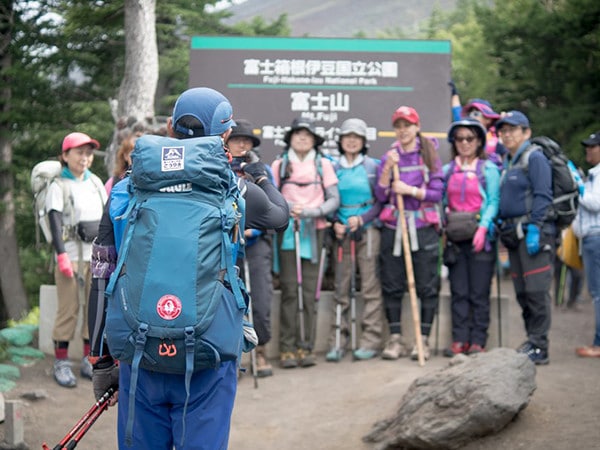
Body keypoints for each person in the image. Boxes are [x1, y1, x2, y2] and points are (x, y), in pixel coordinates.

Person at [87, 87, 289, 449]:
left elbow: (102, 273)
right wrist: (261, 177)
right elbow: (280, 216)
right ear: (225, 135)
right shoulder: (233, 188)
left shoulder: (126, 189)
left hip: (140, 348)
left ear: (169, 126)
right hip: (209, 350)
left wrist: (101, 361)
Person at [374, 106, 444, 361]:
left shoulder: (429, 154)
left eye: (407, 125)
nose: (403, 130)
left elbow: (437, 193)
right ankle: (395, 339)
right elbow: (380, 196)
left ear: (417, 126)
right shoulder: (389, 156)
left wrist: (410, 190)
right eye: (399, 125)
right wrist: (386, 172)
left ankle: (422, 340)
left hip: (423, 228)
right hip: (395, 227)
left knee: (426, 284)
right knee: (392, 284)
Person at [271, 117, 340, 368]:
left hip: (315, 230)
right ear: (290, 137)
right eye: (298, 133)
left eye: (307, 134)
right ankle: (287, 348)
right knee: (290, 289)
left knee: (310, 291)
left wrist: (313, 212)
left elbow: (334, 199)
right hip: (289, 230)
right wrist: (289, 208)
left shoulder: (323, 164)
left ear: (314, 140)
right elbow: (271, 196)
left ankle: (306, 346)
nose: (302, 138)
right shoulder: (280, 164)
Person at [46, 132, 107, 388]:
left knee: (92, 310)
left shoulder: (95, 183)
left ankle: (87, 359)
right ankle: (61, 362)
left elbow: (106, 217)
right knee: (68, 309)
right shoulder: (58, 185)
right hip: (70, 256)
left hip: (94, 257)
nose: (85, 157)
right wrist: (61, 255)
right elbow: (54, 219)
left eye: (88, 153)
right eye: (79, 152)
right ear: (65, 155)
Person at [496, 110, 555, 365]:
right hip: (514, 236)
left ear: (526, 132)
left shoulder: (535, 158)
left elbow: (543, 194)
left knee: (536, 290)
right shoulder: (508, 161)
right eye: (503, 130)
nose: (507, 134)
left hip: (535, 234)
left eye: (513, 129)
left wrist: (536, 227)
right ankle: (532, 341)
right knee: (521, 291)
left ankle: (540, 346)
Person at [325, 118, 384, 362]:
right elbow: (327, 198)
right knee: (341, 287)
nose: (351, 140)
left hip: (367, 231)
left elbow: (381, 200)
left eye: (356, 137)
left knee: (370, 286)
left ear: (363, 142)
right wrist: (335, 222)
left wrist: (362, 219)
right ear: (340, 140)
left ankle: (371, 340)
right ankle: (338, 342)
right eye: (347, 136)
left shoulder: (373, 166)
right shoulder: (333, 167)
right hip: (342, 233)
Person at [441, 118, 500, 356]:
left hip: (480, 237)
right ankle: (459, 339)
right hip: (455, 238)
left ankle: (478, 341)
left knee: (479, 291)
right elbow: (442, 201)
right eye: (459, 138)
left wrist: (484, 227)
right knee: (459, 290)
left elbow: (494, 201)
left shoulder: (489, 170)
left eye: (470, 138)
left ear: (479, 142)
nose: (464, 143)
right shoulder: (447, 171)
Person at [226, 119, 276, 377]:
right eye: (237, 139)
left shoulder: (262, 169)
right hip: (224, 245)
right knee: (228, 300)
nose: (242, 144)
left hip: (256, 243)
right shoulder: (218, 167)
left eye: (247, 140)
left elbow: (272, 206)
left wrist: (253, 229)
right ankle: (231, 355)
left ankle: (261, 351)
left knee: (261, 296)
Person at [573, 130, 600, 357]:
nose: (588, 150)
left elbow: (595, 203)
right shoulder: (593, 174)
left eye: (593, 146)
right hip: (591, 238)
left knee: (598, 293)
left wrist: (577, 186)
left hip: (596, 237)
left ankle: (598, 344)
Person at [449, 82, 506, 166]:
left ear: (488, 119)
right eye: (469, 113)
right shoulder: (463, 130)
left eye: (476, 114)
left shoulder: (497, 138)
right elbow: (457, 111)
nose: (472, 117)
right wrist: (454, 93)